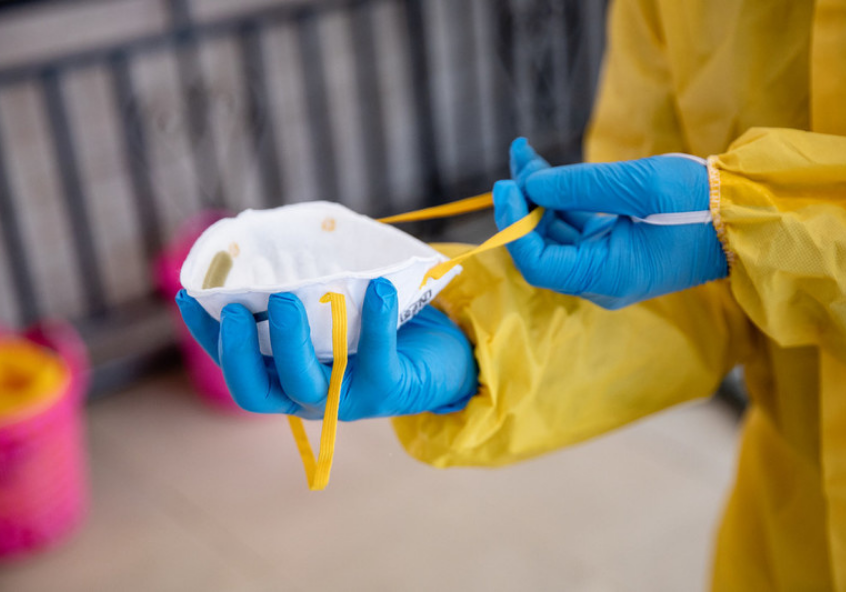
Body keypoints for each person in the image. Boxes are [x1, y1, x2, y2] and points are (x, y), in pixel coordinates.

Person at [177, 0, 846, 588]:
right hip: (790, 533)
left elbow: (723, 242)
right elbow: (678, 294)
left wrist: (764, 229)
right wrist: (480, 344)